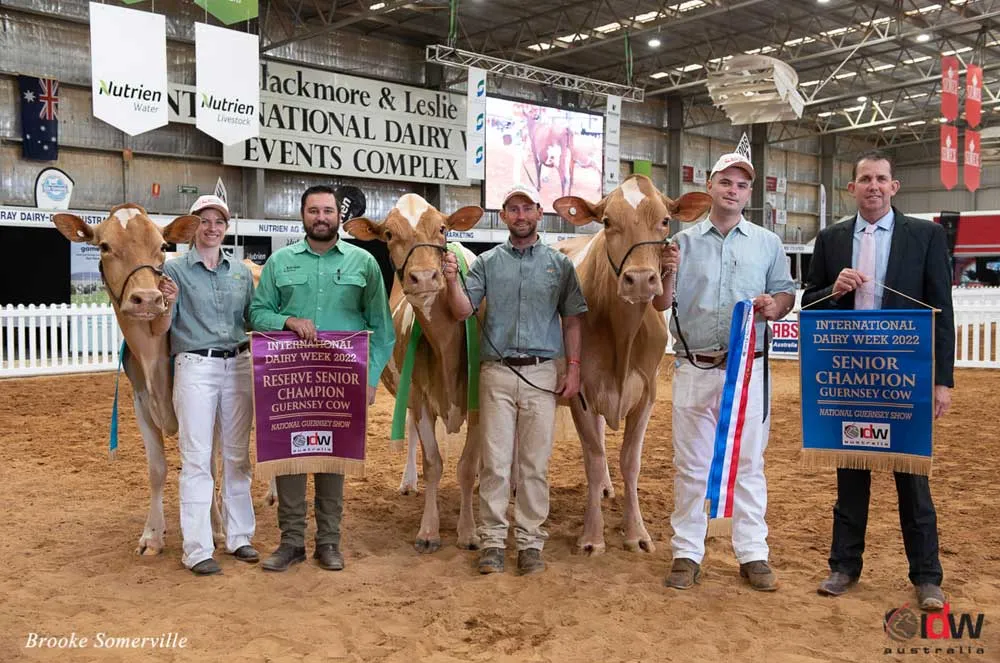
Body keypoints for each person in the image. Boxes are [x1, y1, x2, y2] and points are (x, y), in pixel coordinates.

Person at [802, 149, 954, 611]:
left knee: (912, 480)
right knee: (851, 476)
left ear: (894, 187)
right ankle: (843, 567)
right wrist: (834, 289)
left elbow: (941, 310)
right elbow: (810, 301)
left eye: (881, 179)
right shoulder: (830, 239)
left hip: (905, 376)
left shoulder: (926, 235)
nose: (873, 186)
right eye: (864, 178)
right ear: (852, 188)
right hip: (849, 376)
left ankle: (927, 577)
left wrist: (941, 380)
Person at [665, 151, 796, 592]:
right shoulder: (680, 244)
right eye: (726, 182)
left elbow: (784, 295)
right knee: (690, 465)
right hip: (694, 365)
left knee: (749, 463)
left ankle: (752, 552)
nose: (733, 191)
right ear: (710, 185)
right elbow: (661, 304)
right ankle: (687, 551)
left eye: (741, 185)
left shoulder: (768, 243)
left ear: (749, 193)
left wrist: (773, 306)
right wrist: (666, 275)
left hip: (748, 370)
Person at [442, 183, 587, 576]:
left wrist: (573, 368)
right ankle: (492, 541)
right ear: (503, 216)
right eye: (512, 209)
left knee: (534, 464)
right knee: (496, 462)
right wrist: (452, 280)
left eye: (526, 208)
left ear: (539, 213)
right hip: (496, 373)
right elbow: (460, 311)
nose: (520, 215)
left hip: (543, 372)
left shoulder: (560, 265)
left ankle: (529, 542)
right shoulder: (486, 263)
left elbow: (573, 319)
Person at [249, 184, 395, 572]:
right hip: (290, 381)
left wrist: (371, 377)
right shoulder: (279, 262)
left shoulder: (364, 263)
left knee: (333, 458)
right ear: (302, 215)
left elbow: (382, 327)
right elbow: (257, 314)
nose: (321, 218)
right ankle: (291, 542)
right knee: (289, 458)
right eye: (313, 211)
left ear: (339, 217)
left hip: (343, 380)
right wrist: (288, 321)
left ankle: (329, 542)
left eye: (328, 211)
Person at [154, 194, 257, 576]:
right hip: (195, 364)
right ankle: (197, 548)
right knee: (197, 457)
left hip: (239, 364)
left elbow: (253, 316)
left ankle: (239, 536)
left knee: (237, 455)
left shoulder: (240, 272)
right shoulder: (173, 272)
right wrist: (168, 304)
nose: (212, 228)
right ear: (193, 226)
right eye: (205, 221)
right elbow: (160, 329)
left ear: (226, 228)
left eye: (220, 222)